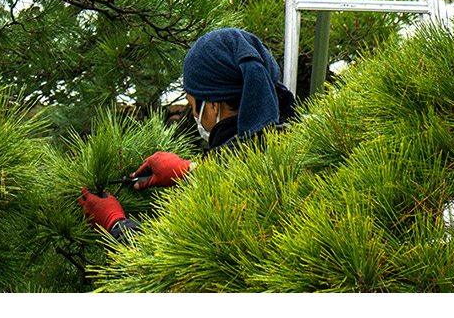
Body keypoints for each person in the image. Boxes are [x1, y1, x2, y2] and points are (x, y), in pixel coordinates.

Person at [79, 27, 300, 241]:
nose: (194, 115)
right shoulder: (294, 142)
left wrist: (114, 223)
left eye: (193, 104)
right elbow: (241, 165)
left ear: (213, 106)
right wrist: (192, 170)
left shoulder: (219, 197)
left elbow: (163, 265)